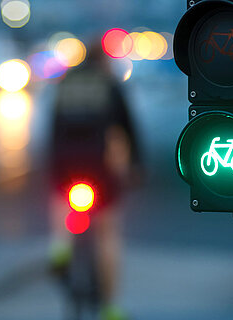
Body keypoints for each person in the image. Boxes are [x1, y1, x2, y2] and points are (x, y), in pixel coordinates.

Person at [48, 40, 141, 320]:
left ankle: (60, 246)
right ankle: (110, 308)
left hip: (64, 161)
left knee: (60, 200)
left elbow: (52, 126)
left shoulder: (65, 83)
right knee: (107, 231)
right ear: (104, 60)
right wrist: (136, 165)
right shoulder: (110, 85)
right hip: (98, 163)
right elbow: (128, 128)